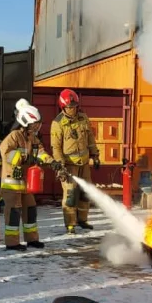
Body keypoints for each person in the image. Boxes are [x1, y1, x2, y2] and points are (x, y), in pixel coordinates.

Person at [0, 105, 62, 251]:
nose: (37, 126)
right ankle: (12, 242)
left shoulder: (32, 138)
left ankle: (32, 240)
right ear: (26, 121)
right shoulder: (14, 136)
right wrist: (24, 157)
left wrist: (52, 162)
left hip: (26, 184)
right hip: (12, 184)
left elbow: (40, 152)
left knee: (31, 210)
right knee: (14, 212)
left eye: (38, 124)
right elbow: (5, 152)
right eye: (35, 124)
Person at [50, 88, 100, 234]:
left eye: (74, 107)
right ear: (63, 107)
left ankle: (83, 220)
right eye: (69, 107)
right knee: (71, 195)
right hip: (68, 166)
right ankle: (70, 224)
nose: (73, 109)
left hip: (83, 164)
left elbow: (90, 138)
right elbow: (56, 147)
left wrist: (95, 155)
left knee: (85, 193)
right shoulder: (58, 123)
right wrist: (61, 166)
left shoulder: (83, 118)